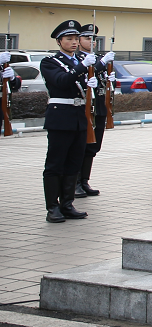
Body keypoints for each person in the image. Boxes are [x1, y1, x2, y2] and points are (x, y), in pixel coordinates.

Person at [40, 20, 91, 223]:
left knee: (74, 162)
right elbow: (61, 81)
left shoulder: (78, 62)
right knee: (55, 163)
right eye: (69, 39)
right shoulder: (50, 62)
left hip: (78, 116)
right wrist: (81, 68)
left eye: (76, 39)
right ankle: (52, 207)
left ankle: (67, 204)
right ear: (59, 41)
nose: (74, 42)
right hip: (60, 116)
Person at [75, 23, 113, 198]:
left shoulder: (96, 58)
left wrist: (109, 76)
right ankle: (74, 183)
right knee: (80, 147)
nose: (92, 42)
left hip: (98, 106)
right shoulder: (78, 59)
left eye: (94, 39)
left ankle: (84, 181)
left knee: (93, 146)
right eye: (87, 38)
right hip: (83, 107)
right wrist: (102, 63)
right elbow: (83, 75)